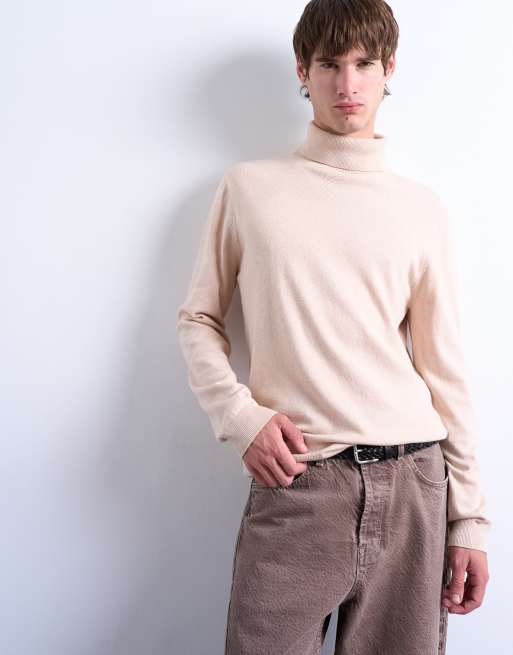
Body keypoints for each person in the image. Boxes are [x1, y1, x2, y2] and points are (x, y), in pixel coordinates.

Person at [176, 1, 491, 652]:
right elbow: (199, 319)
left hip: (413, 484)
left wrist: (469, 520)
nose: (347, 85)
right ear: (303, 70)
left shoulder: (421, 210)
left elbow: (444, 371)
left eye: (363, 64)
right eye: (329, 65)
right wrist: (240, 416)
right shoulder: (250, 189)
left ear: (388, 69)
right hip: (300, 482)